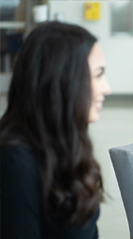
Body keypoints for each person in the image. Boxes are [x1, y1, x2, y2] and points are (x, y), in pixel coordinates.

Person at [0, 21, 111, 238]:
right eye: (98, 75)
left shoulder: (68, 144)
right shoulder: (14, 162)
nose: (107, 87)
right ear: (63, 80)